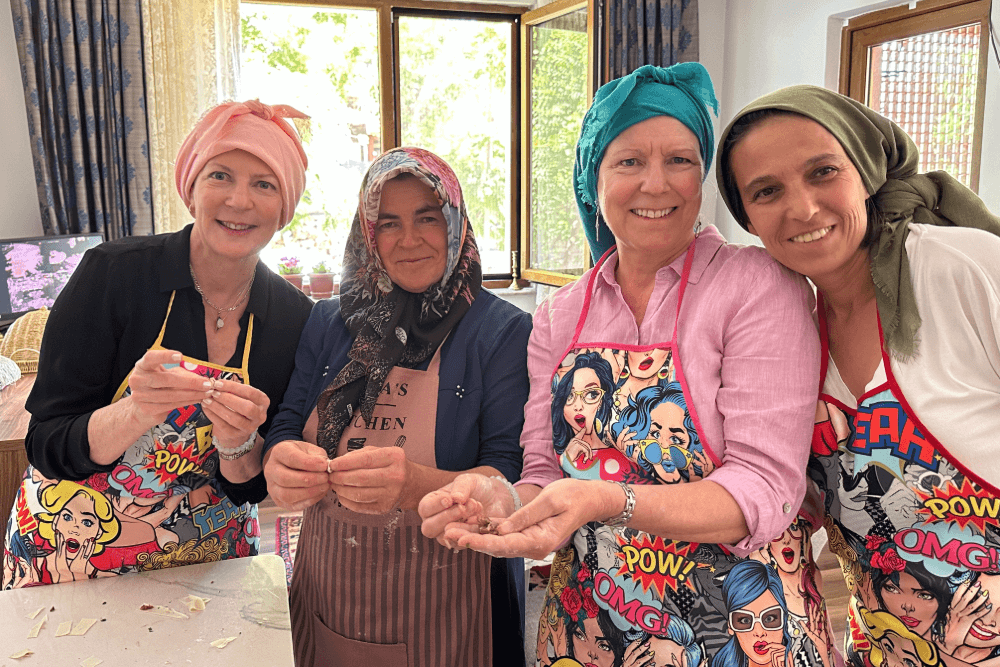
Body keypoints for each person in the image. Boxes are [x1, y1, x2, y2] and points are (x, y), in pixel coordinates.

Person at [420, 63, 836, 667]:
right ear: (593, 179)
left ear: (703, 176)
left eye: (680, 160)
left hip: (744, 628)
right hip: (595, 629)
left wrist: (609, 500)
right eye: (629, 162)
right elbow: (541, 466)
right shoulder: (561, 313)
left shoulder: (756, 286)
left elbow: (765, 490)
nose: (656, 184)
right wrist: (500, 501)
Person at [717, 85, 1000, 667]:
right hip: (884, 647)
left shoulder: (963, 270)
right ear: (746, 216)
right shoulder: (785, 326)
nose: (802, 209)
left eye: (823, 172)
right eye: (766, 192)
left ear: (866, 170)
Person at [2, 99, 314, 589]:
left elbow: (252, 486)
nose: (239, 200)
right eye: (219, 176)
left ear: (285, 210)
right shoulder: (114, 274)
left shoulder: (293, 318)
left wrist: (237, 445)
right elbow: (47, 442)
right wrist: (135, 412)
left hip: (210, 560)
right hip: (72, 553)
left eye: (264, 184)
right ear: (191, 190)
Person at [261, 146, 531, 666]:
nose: (409, 240)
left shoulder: (500, 331)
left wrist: (413, 487)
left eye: (427, 218)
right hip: (333, 587)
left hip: (454, 594)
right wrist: (281, 461)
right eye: (389, 223)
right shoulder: (329, 322)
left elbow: (510, 475)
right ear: (368, 233)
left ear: (454, 222)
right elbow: (289, 422)